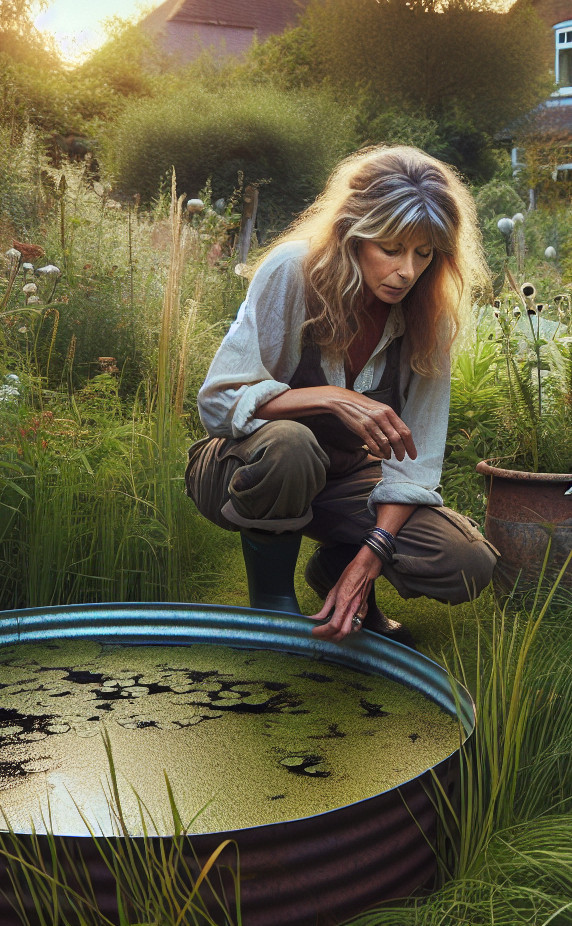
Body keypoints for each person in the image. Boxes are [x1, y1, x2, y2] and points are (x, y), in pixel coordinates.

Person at [188, 146, 499, 644]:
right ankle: (272, 607)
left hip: (344, 477)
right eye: (391, 248)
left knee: (464, 561)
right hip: (242, 467)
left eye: (423, 253)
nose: (407, 271)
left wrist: (372, 553)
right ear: (352, 234)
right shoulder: (293, 271)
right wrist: (331, 396)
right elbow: (219, 403)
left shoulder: (429, 314)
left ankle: (336, 572)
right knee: (291, 444)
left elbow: (414, 464)